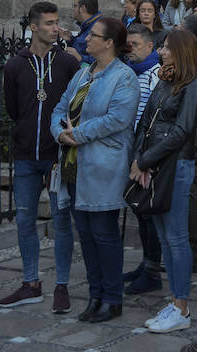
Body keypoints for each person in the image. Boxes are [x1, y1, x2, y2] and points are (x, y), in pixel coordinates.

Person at [51, 18, 139, 324]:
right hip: (74, 167)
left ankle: (112, 298)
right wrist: (58, 132)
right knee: (85, 236)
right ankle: (95, 294)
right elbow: (60, 108)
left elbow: (118, 119)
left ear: (109, 43)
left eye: (94, 36)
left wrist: (78, 133)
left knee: (104, 234)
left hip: (103, 167)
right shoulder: (82, 74)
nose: (87, 40)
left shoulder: (125, 78)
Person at [0, 2, 81, 313]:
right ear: (33, 27)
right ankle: (30, 282)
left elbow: (76, 103)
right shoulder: (14, 65)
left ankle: (61, 284)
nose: (55, 28)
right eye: (48, 23)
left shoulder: (68, 63)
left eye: (56, 22)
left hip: (57, 155)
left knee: (61, 221)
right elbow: (14, 109)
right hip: (25, 156)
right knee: (23, 220)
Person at [130, 29, 197, 333]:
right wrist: (138, 158)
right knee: (163, 237)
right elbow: (145, 122)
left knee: (176, 238)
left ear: (180, 51)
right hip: (154, 164)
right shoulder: (165, 80)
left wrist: (145, 160)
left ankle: (182, 306)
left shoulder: (195, 85)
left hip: (176, 166)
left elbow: (181, 131)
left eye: (166, 47)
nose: (161, 51)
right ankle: (175, 301)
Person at [121, 23, 164, 294]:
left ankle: (152, 271)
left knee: (149, 213)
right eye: (128, 45)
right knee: (139, 211)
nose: (130, 50)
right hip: (130, 151)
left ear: (150, 46)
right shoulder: (129, 74)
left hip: (147, 154)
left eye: (135, 45)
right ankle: (146, 263)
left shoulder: (156, 74)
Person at [69, 0, 103, 64]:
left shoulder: (99, 27)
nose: (73, 9)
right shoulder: (87, 25)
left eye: (75, 6)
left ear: (82, 9)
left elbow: (100, 59)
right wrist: (70, 39)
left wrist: (80, 58)